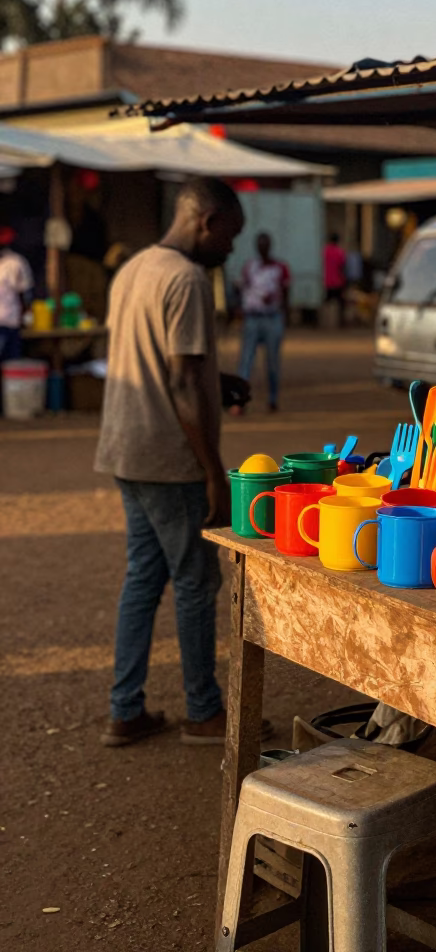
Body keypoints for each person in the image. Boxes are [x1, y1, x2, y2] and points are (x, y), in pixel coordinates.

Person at [95, 178, 252, 747]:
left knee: (143, 578)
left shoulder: (135, 268)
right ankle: (203, 711)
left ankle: (125, 709)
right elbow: (181, 381)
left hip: (125, 448)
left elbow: (159, 359)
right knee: (195, 582)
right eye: (229, 235)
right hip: (169, 457)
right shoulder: (186, 278)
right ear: (207, 222)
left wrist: (218, 379)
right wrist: (212, 471)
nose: (230, 249)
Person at [236, 232, 291, 413]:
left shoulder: (280, 268)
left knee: (273, 362)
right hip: (252, 318)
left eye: (265, 244)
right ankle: (240, 401)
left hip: (272, 318)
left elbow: (286, 292)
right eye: (260, 244)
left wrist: (285, 314)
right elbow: (243, 288)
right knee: (246, 361)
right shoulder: (250, 267)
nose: (263, 248)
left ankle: (273, 399)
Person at [0, 226, 33, 362]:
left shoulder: (15, 262)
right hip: (7, 319)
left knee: (11, 362)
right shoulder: (15, 262)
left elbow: (24, 292)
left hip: (8, 320)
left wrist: (27, 316)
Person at [323, 232, 347, 324]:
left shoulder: (325, 251)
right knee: (341, 303)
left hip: (326, 281)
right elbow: (342, 266)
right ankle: (341, 321)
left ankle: (324, 321)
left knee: (326, 301)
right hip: (337, 281)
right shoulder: (340, 252)